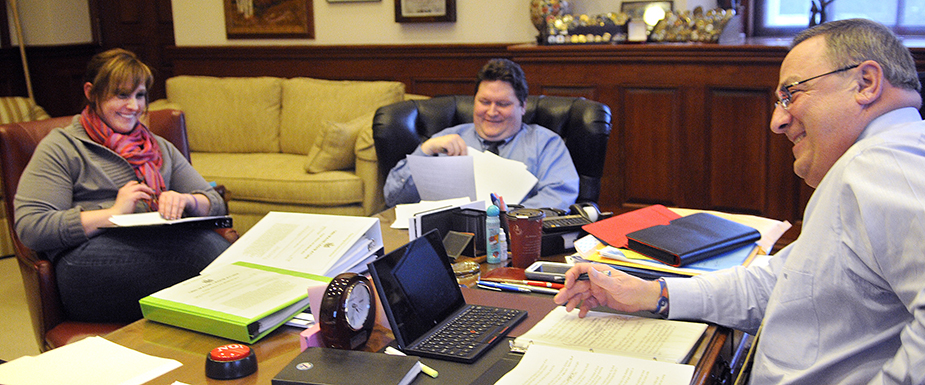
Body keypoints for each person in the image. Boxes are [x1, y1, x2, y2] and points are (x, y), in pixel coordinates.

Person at [554, 18, 925, 384]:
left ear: (866, 83)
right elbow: (774, 285)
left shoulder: (886, 162)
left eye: (790, 94)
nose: (777, 121)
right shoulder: (869, 163)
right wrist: (652, 294)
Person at [14, 49, 231, 323]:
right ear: (92, 93)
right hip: (83, 264)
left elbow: (214, 200)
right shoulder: (61, 147)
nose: (134, 106)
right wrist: (113, 213)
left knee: (213, 251)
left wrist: (188, 200)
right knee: (202, 256)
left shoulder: (157, 146)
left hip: (155, 246)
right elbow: (31, 227)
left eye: (139, 95)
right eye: (121, 95)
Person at [383, 58, 580, 211]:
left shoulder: (545, 143)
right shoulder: (446, 139)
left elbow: (558, 198)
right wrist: (426, 150)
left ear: (522, 106)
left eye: (503, 104)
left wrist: (500, 218)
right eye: (484, 102)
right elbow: (393, 197)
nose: (492, 112)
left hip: (516, 240)